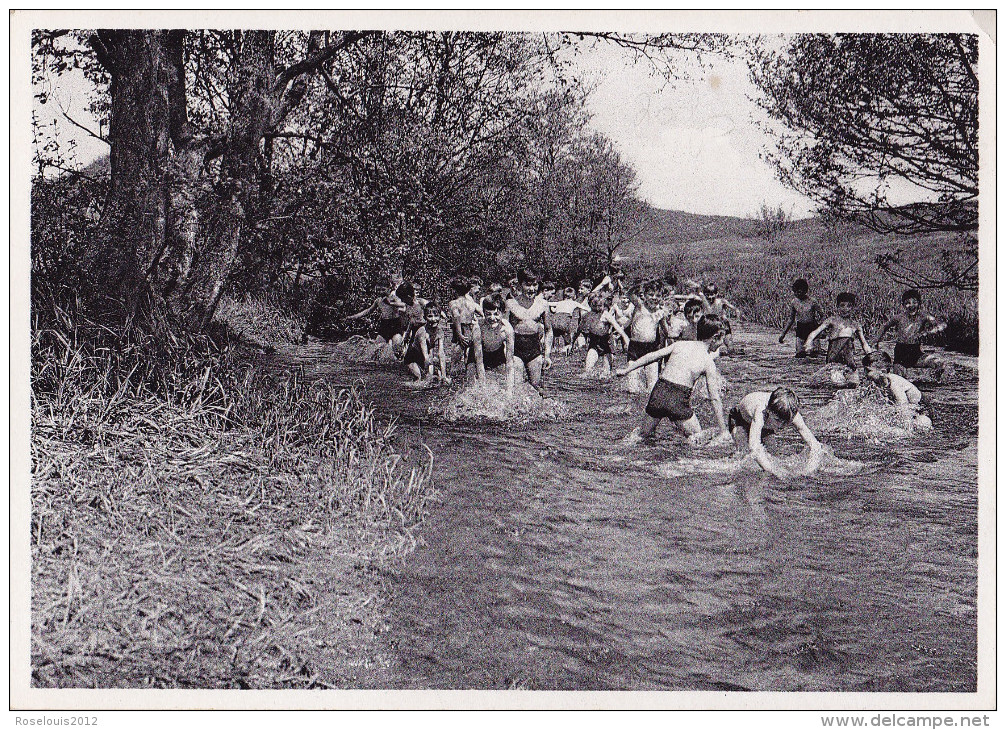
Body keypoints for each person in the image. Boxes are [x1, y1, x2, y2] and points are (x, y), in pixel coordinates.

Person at [615, 316, 731, 445]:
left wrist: (627, 369)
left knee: (642, 435)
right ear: (715, 338)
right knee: (698, 439)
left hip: (658, 393)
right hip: (677, 399)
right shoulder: (708, 362)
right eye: (722, 339)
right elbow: (714, 398)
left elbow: (651, 356)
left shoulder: (680, 344)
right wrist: (723, 430)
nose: (723, 344)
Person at [729, 388, 824, 479]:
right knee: (745, 457)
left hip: (766, 426)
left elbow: (815, 445)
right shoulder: (761, 411)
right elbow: (754, 446)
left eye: (786, 422)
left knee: (773, 457)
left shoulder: (792, 414)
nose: (781, 425)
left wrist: (809, 470)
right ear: (769, 411)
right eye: (778, 421)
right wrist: (775, 472)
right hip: (739, 418)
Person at [872, 288, 948, 379]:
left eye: (914, 302)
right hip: (901, 353)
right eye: (908, 303)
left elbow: (942, 325)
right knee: (899, 380)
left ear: (919, 304)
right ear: (903, 305)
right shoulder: (898, 318)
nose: (911, 305)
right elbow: (884, 326)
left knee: (939, 363)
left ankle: (935, 381)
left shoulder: (924, 316)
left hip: (916, 352)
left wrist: (927, 332)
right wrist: (876, 340)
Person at [804, 292, 872, 387]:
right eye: (842, 306)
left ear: (853, 308)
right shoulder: (832, 320)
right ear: (837, 306)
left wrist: (870, 355)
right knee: (836, 384)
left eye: (849, 306)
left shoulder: (855, 325)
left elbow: (864, 344)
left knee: (854, 383)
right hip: (834, 357)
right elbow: (815, 332)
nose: (845, 309)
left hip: (849, 358)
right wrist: (808, 342)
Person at [505, 268, 552, 395]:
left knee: (536, 387)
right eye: (528, 285)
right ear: (520, 285)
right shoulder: (510, 304)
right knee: (517, 387)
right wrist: (505, 353)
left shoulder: (543, 304)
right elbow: (503, 329)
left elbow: (548, 330)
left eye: (535, 285)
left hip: (534, 349)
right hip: (516, 349)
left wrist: (547, 355)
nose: (532, 289)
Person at [862, 351, 933, 430]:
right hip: (909, 407)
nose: (864, 373)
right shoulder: (875, 382)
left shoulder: (894, 383)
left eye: (868, 371)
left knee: (921, 423)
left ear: (883, 372)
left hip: (921, 409)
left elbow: (903, 406)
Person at [343, 279, 409, 356]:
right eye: (378, 290)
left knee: (397, 348)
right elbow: (368, 311)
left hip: (395, 325)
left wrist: (391, 303)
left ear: (389, 288)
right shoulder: (378, 301)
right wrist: (353, 317)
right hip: (384, 325)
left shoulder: (394, 297)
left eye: (383, 289)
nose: (381, 292)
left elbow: (403, 304)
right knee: (376, 349)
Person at [576, 291, 630, 378]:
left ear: (603, 304)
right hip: (594, 343)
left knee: (606, 374)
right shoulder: (587, 316)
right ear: (590, 305)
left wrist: (626, 339)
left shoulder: (606, 315)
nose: (598, 309)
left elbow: (618, 328)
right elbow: (578, 330)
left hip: (607, 344)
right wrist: (571, 343)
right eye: (595, 306)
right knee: (588, 371)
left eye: (600, 306)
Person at [471, 294, 515, 394]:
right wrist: (483, 387)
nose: (492, 318)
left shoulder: (507, 330)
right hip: (478, 355)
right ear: (484, 314)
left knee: (502, 385)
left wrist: (509, 390)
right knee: (473, 387)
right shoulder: (478, 328)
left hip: (497, 353)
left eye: (496, 314)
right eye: (488, 314)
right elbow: (479, 360)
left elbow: (510, 362)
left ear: (503, 313)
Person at [626, 280, 666, 391]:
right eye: (651, 294)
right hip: (635, 348)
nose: (654, 297)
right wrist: (640, 285)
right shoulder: (640, 306)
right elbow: (629, 294)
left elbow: (667, 332)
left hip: (651, 348)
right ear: (645, 295)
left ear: (662, 297)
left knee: (651, 386)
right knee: (632, 387)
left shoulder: (661, 312)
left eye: (658, 295)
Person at [403, 301, 450, 384]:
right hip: (413, 357)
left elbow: (441, 354)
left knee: (439, 378)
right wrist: (428, 376)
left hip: (426, 356)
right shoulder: (422, 332)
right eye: (430, 316)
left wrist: (444, 376)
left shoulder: (440, 331)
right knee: (420, 379)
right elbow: (426, 356)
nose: (433, 319)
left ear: (440, 316)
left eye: (436, 316)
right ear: (425, 318)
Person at [779, 278, 824, 357]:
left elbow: (822, 315)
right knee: (800, 354)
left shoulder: (812, 301)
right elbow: (791, 319)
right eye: (795, 292)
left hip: (812, 327)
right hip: (800, 328)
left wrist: (820, 328)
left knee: (814, 354)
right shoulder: (794, 302)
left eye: (799, 292)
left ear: (805, 291)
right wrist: (783, 334)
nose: (797, 294)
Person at [448, 276, 483, 367]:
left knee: (456, 353)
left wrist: (459, 334)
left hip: (461, 328)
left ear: (454, 290)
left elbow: (456, 316)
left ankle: (453, 373)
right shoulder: (471, 303)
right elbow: (482, 313)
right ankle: (467, 372)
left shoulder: (454, 303)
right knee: (469, 353)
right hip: (470, 328)